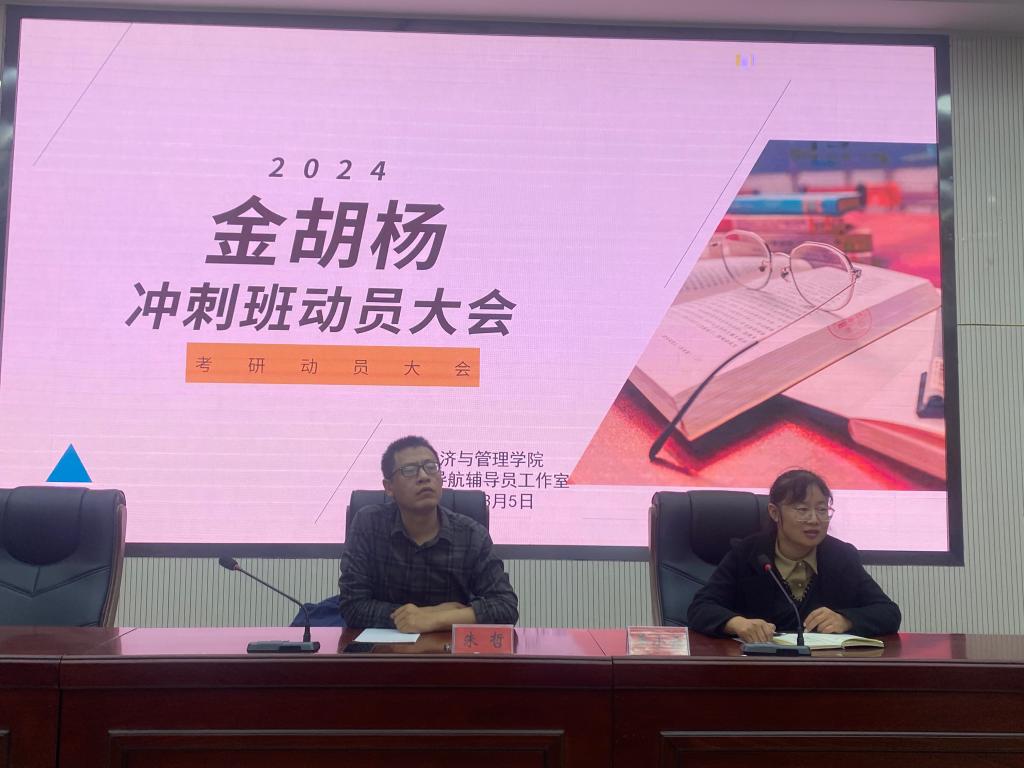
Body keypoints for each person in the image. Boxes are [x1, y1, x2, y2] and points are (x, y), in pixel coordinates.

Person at [687, 468, 901, 642]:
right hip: (758, 669)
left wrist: (846, 620)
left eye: (822, 510)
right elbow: (700, 608)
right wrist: (737, 623)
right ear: (774, 513)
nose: (814, 520)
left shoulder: (841, 556)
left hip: (823, 671)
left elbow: (888, 612)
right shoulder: (748, 554)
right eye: (802, 510)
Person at [339, 435, 519, 632]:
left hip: (447, 648)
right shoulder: (368, 524)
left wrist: (435, 618)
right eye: (409, 470)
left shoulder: (472, 534)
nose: (424, 476)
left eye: (431, 467)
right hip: (384, 648)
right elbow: (352, 606)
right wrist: (421, 616)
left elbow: (506, 607)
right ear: (389, 487)